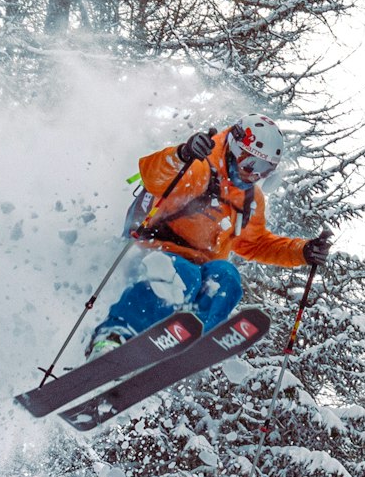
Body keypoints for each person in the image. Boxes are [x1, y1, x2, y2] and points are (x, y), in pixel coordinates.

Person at [87, 115, 332, 357]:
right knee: (185, 274)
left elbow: (255, 243)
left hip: (196, 269)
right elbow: (154, 177)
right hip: (152, 252)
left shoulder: (249, 199)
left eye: (264, 170)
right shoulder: (200, 166)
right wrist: (181, 155)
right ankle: (114, 335)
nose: (254, 175)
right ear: (235, 148)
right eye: (251, 164)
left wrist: (302, 251)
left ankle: (182, 344)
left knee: (227, 279)